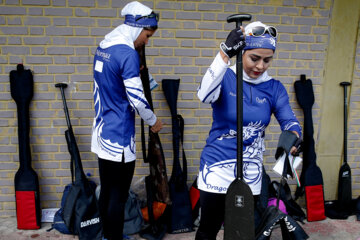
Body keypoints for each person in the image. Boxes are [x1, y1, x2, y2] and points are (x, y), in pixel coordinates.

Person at [195, 21, 302, 239]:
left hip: (250, 172)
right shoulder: (225, 76)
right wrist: (224, 53)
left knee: (243, 232)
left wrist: (294, 138)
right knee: (208, 229)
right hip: (217, 166)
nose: (260, 66)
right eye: (254, 58)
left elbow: (289, 121)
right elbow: (204, 95)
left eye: (267, 60)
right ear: (242, 52)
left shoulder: (274, 88)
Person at [91, 1, 162, 239]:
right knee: (118, 197)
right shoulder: (128, 54)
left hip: (102, 131)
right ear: (136, 27)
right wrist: (153, 121)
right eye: (147, 35)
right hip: (119, 137)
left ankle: (105, 235)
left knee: (108, 191)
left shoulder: (104, 45)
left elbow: (112, 82)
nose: (146, 41)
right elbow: (137, 99)